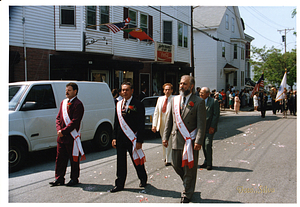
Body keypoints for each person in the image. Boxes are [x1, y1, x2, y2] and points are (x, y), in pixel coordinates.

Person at [162, 75, 206, 203]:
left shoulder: (199, 102)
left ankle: (187, 193)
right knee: (176, 164)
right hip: (176, 139)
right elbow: (169, 121)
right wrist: (165, 137)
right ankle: (189, 183)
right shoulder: (174, 101)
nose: (181, 86)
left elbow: (201, 125)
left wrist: (198, 141)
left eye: (184, 84)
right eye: (180, 83)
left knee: (189, 168)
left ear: (191, 86)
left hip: (190, 141)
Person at [110, 82, 147, 193]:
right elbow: (116, 122)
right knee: (120, 162)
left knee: (137, 160)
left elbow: (141, 124)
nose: (124, 92)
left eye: (126, 90)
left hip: (133, 138)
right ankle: (120, 184)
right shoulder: (118, 104)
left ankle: (143, 178)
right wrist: (114, 137)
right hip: (121, 138)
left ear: (132, 91)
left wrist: (139, 140)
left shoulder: (138, 104)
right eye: (122, 90)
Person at [50, 82, 85, 187]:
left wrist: (63, 131)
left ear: (75, 91)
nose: (66, 92)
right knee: (60, 159)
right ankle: (59, 178)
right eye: (66, 90)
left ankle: (74, 178)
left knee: (73, 159)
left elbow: (75, 121)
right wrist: (59, 130)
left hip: (71, 137)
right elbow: (58, 118)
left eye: (69, 90)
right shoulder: (63, 103)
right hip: (61, 137)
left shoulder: (78, 104)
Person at [152, 83, 174, 166]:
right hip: (161, 123)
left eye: (169, 89)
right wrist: (154, 125)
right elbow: (156, 112)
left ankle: (169, 159)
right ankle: (165, 156)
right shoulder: (160, 99)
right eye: (166, 89)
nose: (167, 91)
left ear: (172, 90)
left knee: (170, 140)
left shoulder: (174, 99)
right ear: (163, 91)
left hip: (170, 123)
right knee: (164, 140)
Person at [199, 87, 220, 170]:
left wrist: (213, 127)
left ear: (207, 94)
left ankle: (209, 163)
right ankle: (206, 161)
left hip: (209, 127)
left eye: (202, 93)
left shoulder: (213, 102)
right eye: (200, 92)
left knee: (208, 144)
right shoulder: (199, 101)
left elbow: (216, 115)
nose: (200, 94)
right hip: (201, 128)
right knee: (203, 145)